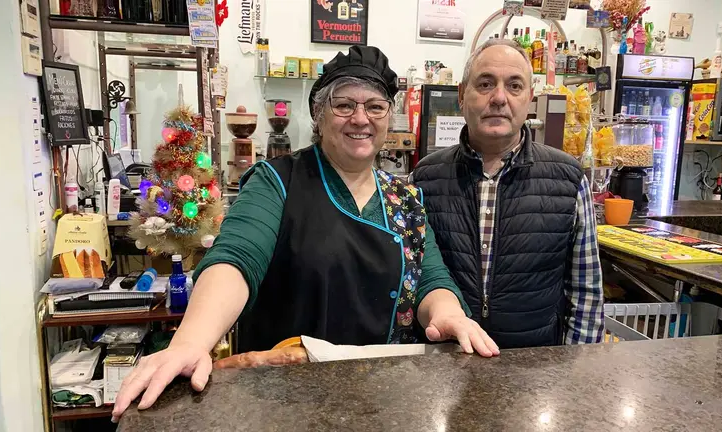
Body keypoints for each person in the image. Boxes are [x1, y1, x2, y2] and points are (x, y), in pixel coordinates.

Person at [111, 46, 499, 422]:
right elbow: (236, 257)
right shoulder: (278, 181)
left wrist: (450, 316)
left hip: (381, 398)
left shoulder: (404, 197)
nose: (360, 118)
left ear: (388, 117)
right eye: (344, 104)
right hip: (282, 397)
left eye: (375, 106)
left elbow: (430, 277)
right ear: (319, 114)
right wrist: (191, 341)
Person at [411, 39, 604, 349]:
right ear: (462, 96)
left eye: (514, 86)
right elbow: (414, 279)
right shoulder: (423, 179)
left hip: (535, 368)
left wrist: (575, 370)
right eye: (485, 84)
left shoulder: (568, 179)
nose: (499, 98)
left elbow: (586, 292)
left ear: (529, 99)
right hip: (445, 364)